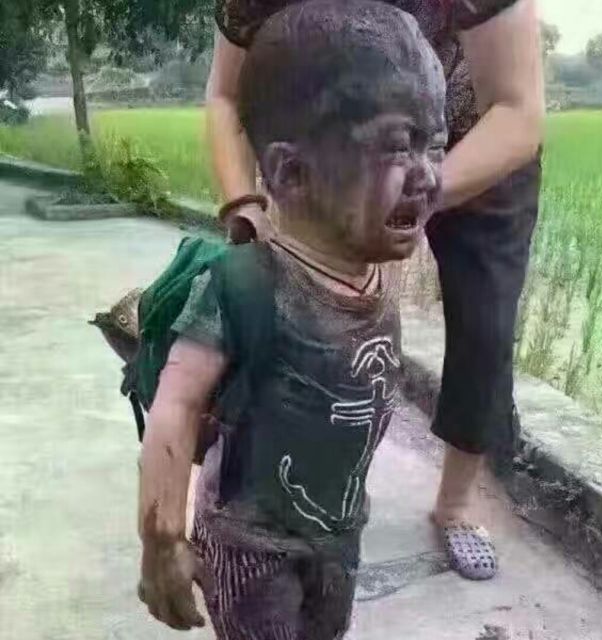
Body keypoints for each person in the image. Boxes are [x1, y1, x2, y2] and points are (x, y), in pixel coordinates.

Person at [138, 1, 447, 635]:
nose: (426, 176)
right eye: (397, 149)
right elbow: (176, 405)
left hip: (340, 534)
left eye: (434, 146)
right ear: (291, 171)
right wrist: (162, 542)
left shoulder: (374, 276)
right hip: (251, 548)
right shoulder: (245, 283)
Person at [208, 0, 544, 580]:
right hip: (335, 150)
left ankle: (455, 506)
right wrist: (243, 202)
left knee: (486, 328)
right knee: (303, 316)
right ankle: (302, 481)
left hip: (473, 135)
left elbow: (518, 110)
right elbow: (226, 97)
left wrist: (408, 192)